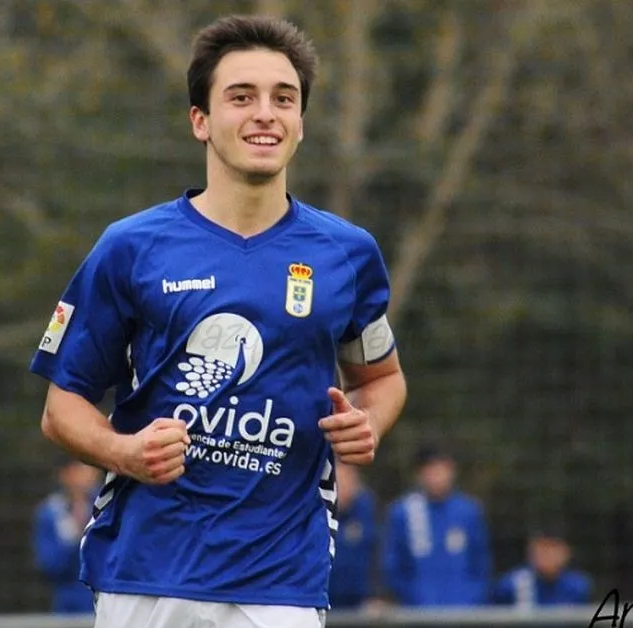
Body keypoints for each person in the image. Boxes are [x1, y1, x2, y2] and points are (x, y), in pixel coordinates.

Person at [28, 14, 407, 628]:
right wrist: (124, 452)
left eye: (284, 99)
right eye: (241, 97)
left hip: (281, 582)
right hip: (149, 571)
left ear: (301, 123)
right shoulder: (130, 248)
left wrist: (369, 423)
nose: (265, 113)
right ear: (200, 121)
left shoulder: (347, 254)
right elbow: (61, 406)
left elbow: (383, 378)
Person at [382, 443, 491, 607]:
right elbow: (393, 566)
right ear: (419, 474)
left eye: (441, 469)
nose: (436, 476)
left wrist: (471, 600)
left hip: (464, 614)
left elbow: (481, 565)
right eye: (430, 470)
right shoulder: (403, 512)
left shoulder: (469, 511)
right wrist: (412, 599)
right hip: (418, 614)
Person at [32, 454, 103, 614]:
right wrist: (75, 535)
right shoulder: (50, 512)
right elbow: (49, 565)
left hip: (104, 600)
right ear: (65, 474)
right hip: (68, 607)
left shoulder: (108, 508)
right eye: (79, 468)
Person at [493, 524, 591, 608]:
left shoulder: (578, 587)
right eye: (542, 549)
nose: (547, 555)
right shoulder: (512, 585)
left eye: (552, 549)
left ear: (566, 553)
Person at [327, 463, 379, 612]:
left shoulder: (366, 510)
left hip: (359, 604)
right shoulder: (313, 512)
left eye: (350, 481)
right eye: (339, 481)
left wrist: (377, 595)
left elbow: (377, 557)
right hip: (320, 599)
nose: (345, 488)